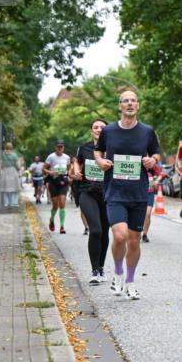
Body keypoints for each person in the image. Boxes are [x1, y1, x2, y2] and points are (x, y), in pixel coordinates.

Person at [94, 89, 161, 300]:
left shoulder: (147, 131)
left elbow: (156, 153)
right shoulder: (109, 131)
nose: (130, 104)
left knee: (134, 241)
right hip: (115, 191)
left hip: (138, 193)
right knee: (120, 235)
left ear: (138, 105)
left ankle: (130, 282)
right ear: (120, 106)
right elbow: (98, 149)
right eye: (126, 101)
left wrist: (153, 160)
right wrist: (100, 161)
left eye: (133, 100)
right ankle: (117, 272)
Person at [75, 119, 111, 284]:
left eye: (102, 127)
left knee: (104, 231)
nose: (98, 129)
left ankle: (101, 267)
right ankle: (95, 269)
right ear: (91, 131)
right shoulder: (84, 148)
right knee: (95, 230)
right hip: (87, 193)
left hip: (107, 194)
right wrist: (76, 171)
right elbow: (76, 163)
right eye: (95, 127)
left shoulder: (113, 148)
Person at [44, 140, 71, 233]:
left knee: (62, 204)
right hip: (53, 181)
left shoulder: (67, 157)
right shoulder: (51, 157)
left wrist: (69, 176)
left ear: (63, 148)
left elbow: (69, 169)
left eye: (61, 147)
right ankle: (52, 219)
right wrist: (50, 172)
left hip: (63, 181)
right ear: (55, 147)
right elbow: (44, 168)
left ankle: (62, 227)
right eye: (58, 147)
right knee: (55, 206)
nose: (60, 148)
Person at [141, 160, 164, 242]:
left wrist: (157, 181)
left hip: (150, 193)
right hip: (139, 193)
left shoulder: (152, 164)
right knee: (140, 214)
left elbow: (160, 174)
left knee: (147, 213)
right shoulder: (138, 162)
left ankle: (144, 234)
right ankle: (137, 230)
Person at [68, 155, 88, 234]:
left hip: (87, 186)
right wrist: (75, 177)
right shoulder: (72, 167)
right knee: (82, 208)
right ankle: (86, 227)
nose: (74, 161)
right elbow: (70, 177)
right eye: (73, 160)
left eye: (75, 160)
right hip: (77, 187)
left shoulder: (85, 164)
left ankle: (90, 224)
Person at [0, 142, 21, 209]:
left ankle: (6, 203)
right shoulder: (14, 155)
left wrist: (1, 171)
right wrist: (18, 169)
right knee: (14, 188)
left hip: (5, 171)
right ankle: (13, 203)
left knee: (5, 188)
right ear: (12, 147)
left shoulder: (3, 155)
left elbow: (1, 165)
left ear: (6, 147)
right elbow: (17, 165)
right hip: (12, 171)